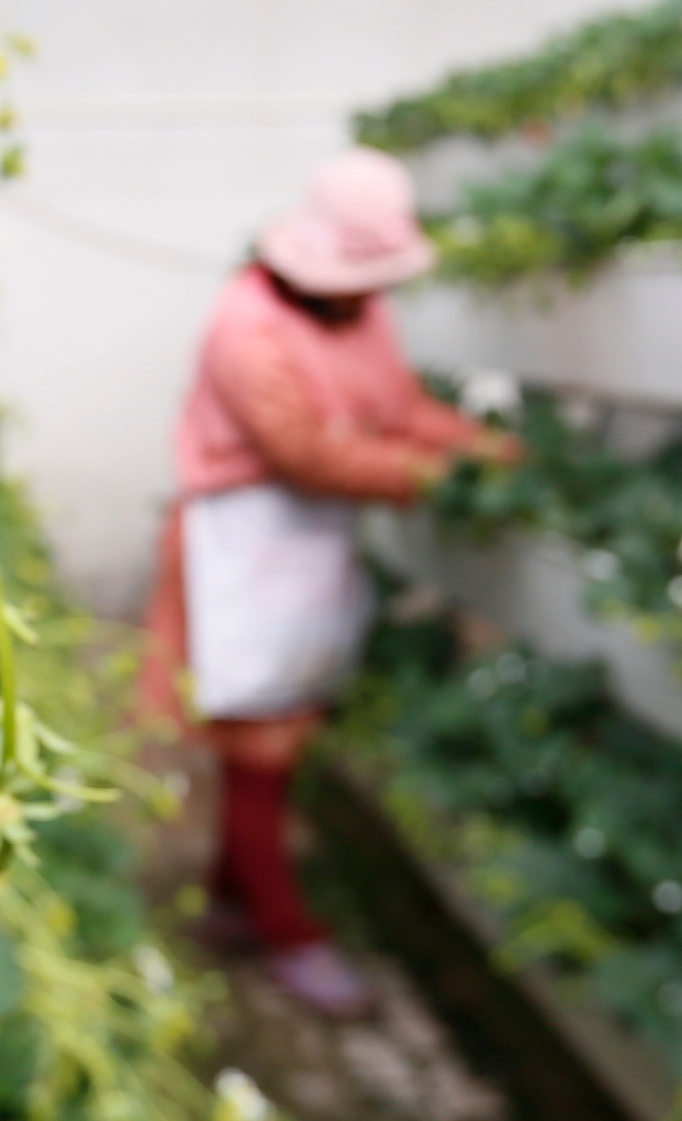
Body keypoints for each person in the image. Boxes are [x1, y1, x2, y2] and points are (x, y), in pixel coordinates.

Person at [138, 147, 507, 1017]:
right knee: (259, 742)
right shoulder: (247, 325)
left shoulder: (361, 313)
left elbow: (400, 407)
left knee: (276, 734)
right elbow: (302, 451)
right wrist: (435, 476)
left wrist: (484, 449)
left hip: (307, 548)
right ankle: (287, 931)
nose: (373, 291)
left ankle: (235, 903)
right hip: (245, 543)